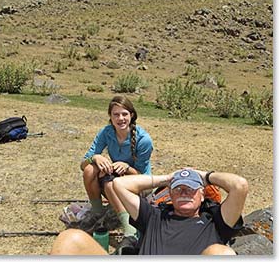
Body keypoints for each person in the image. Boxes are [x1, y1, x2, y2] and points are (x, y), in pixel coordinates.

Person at [51, 168, 248, 255]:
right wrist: (167, 179)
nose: (184, 192)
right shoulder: (154, 215)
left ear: (202, 195)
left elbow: (239, 185)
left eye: (191, 188)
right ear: (170, 194)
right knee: (70, 238)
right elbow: (119, 184)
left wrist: (205, 176)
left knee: (221, 253)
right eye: (178, 189)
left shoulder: (215, 221)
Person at [78, 95, 153, 246]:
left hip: (140, 185)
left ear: (131, 115)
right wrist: (96, 158)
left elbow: (142, 177)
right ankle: (98, 213)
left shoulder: (144, 140)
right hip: (115, 179)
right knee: (90, 170)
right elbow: (83, 164)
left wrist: (127, 167)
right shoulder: (106, 132)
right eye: (116, 114)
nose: (120, 118)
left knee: (111, 183)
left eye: (124, 114)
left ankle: (129, 228)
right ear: (110, 117)